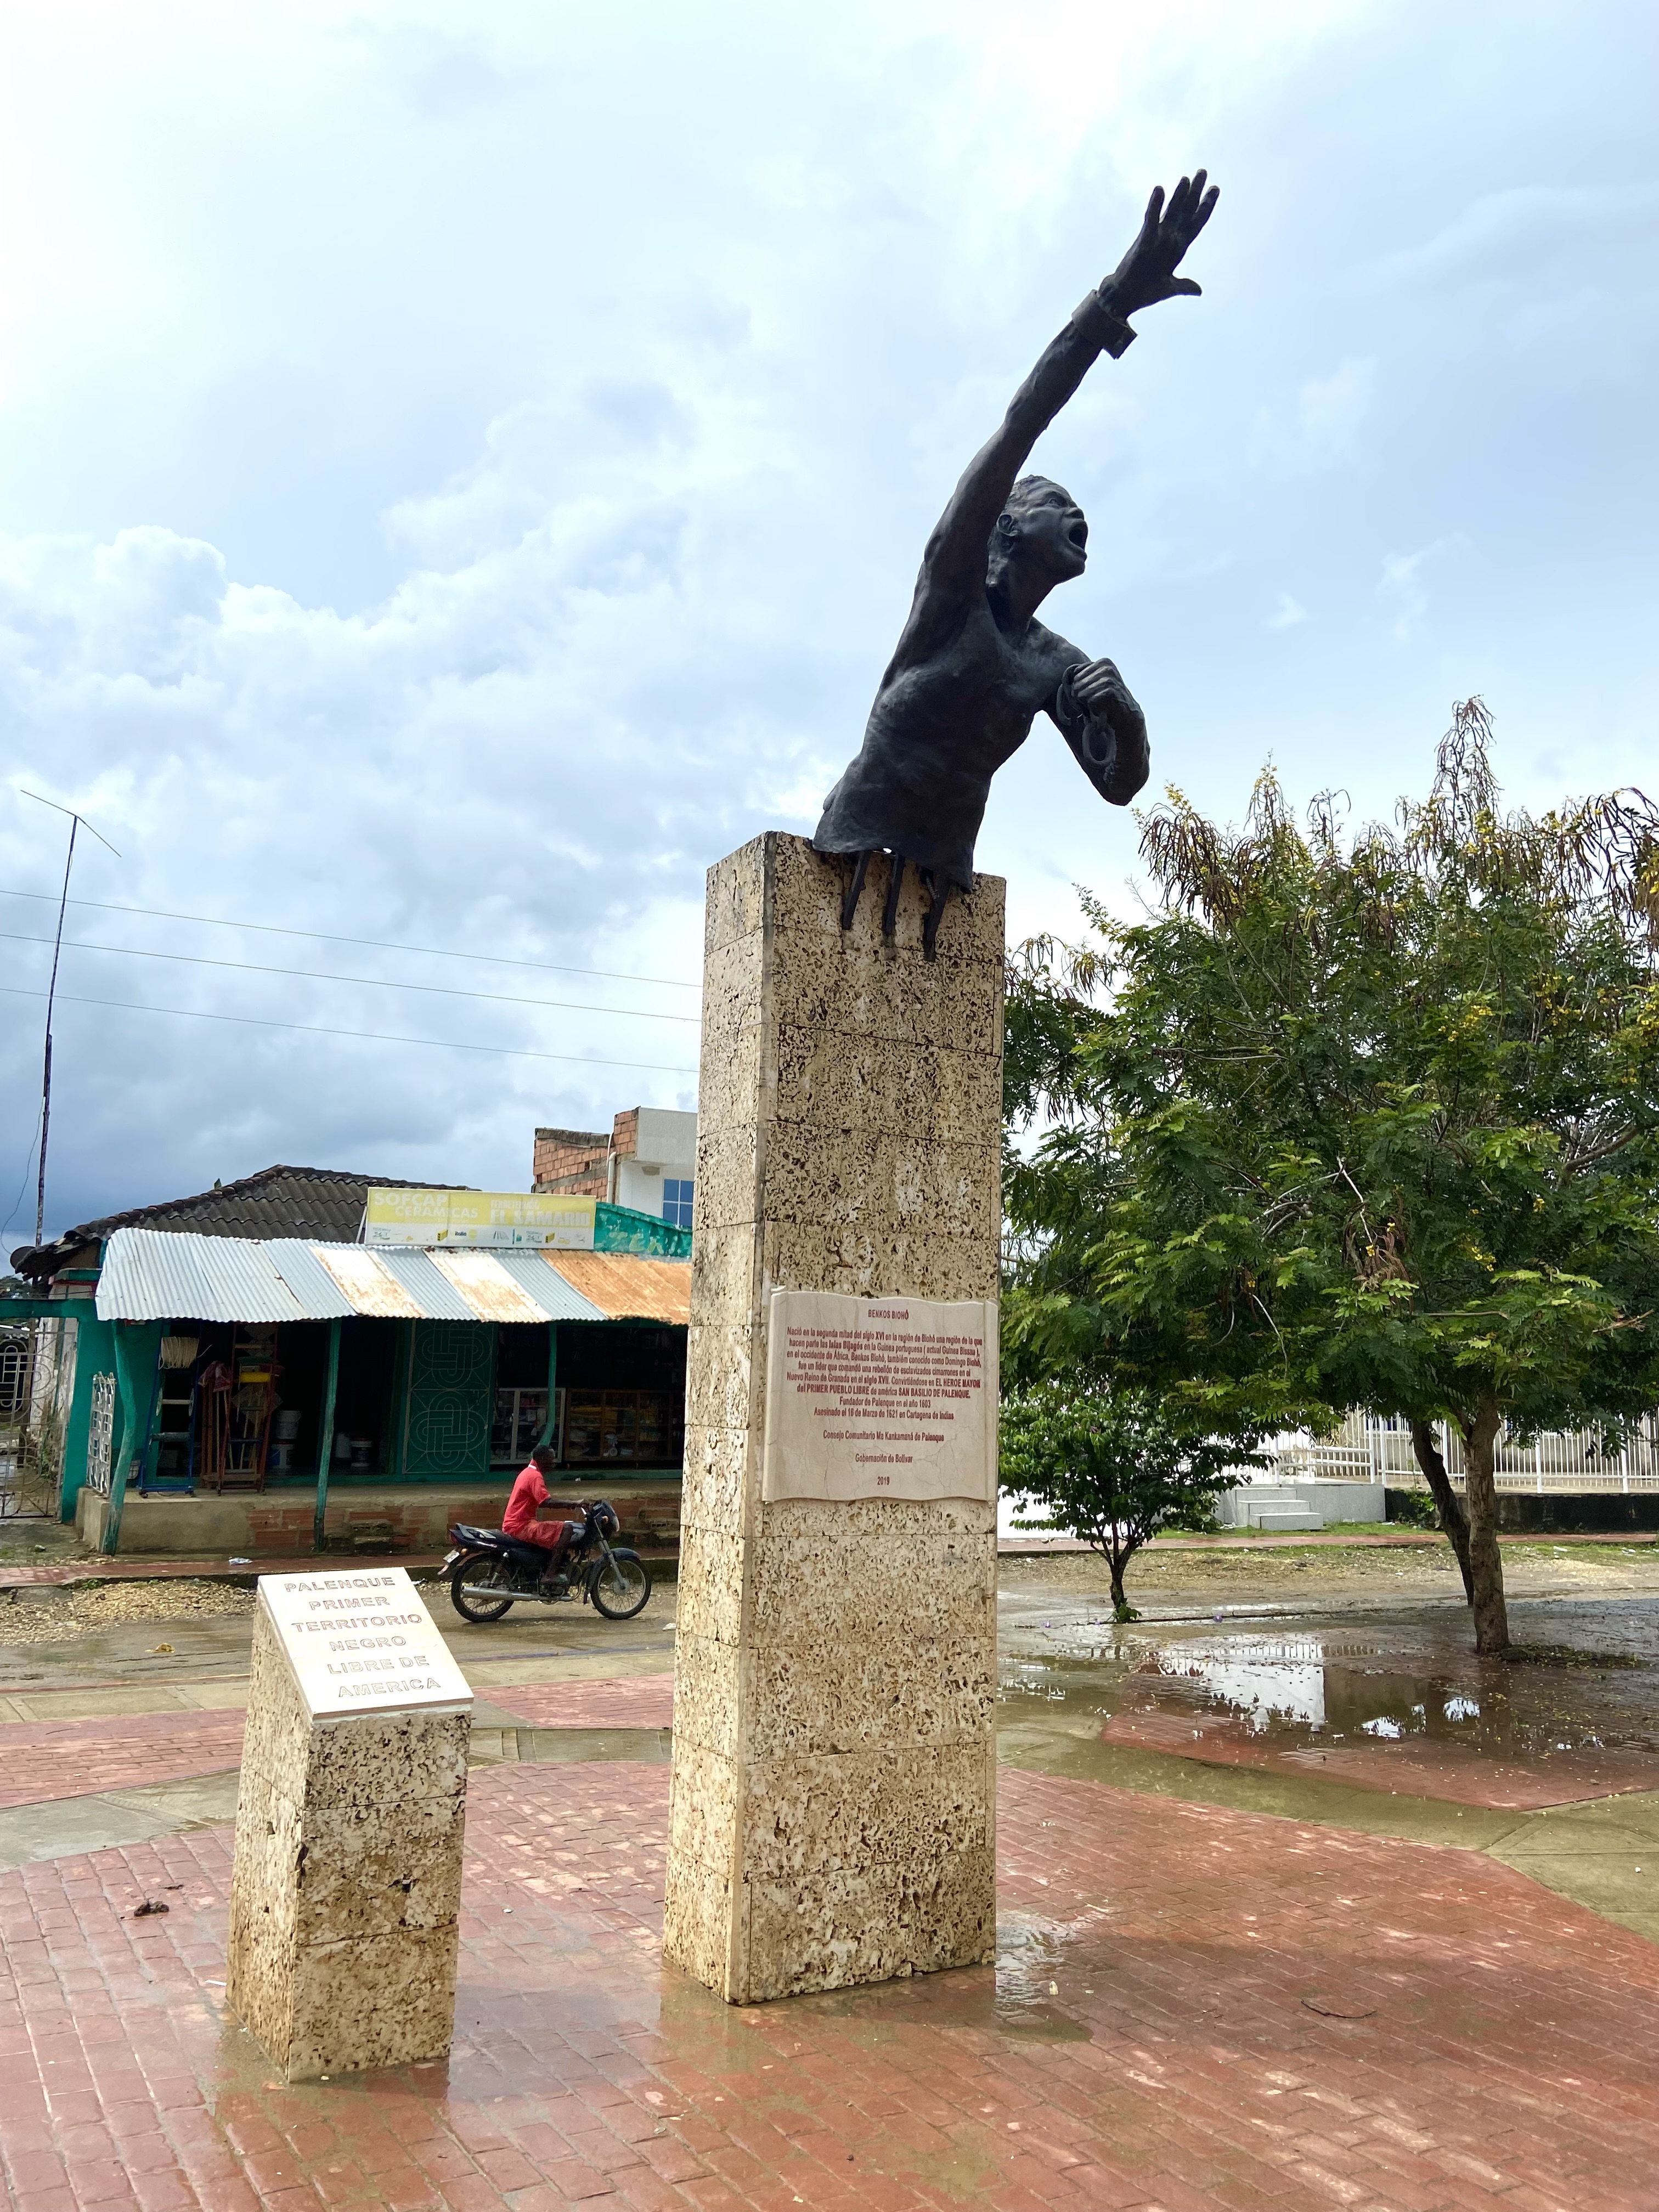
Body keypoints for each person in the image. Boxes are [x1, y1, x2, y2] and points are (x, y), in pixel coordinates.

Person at [813, 172, 1218, 955]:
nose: (1078, 518)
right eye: (1055, 504)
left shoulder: (1050, 662)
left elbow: (1117, 784)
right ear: (1002, 524)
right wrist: (1113, 303)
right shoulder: (952, 586)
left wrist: (1129, 722)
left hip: (943, 881)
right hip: (853, 846)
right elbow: (1022, 422)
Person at [502, 1444, 579, 1587]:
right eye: (551, 1460)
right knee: (567, 1529)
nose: (553, 1464)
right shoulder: (534, 1476)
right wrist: (574, 1503)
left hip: (518, 1523)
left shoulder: (526, 1472)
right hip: (521, 1525)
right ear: (542, 1459)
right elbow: (546, 1501)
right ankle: (550, 1575)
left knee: (552, 1528)